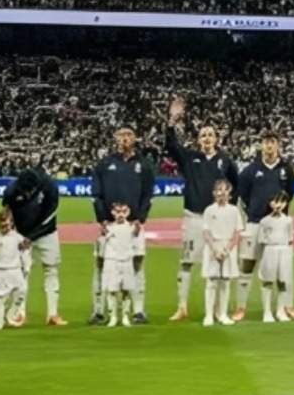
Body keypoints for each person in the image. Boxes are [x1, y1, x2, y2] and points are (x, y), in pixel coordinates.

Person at [164, 95, 238, 322]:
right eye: (203, 134)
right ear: (198, 139)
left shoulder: (225, 161)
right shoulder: (190, 158)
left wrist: (228, 214)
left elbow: (235, 186)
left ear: (216, 138)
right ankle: (182, 306)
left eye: (210, 134)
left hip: (218, 221)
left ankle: (217, 310)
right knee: (186, 261)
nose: (206, 138)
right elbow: (171, 146)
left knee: (218, 262)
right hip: (194, 217)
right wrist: (171, 122)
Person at [89, 126, 155, 325]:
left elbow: (148, 195)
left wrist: (140, 219)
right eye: (121, 135)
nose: (125, 138)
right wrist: (102, 219)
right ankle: (99, 311)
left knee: (137, 265)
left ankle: (138, 310)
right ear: (115, 138)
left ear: (135, 138)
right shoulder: (104, 164)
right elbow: (96, 194)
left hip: (133, 225)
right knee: (101, 265)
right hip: (107, 225)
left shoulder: (144, 165)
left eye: (129, 135)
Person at [234, 133, 294, 321]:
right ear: (261, 145)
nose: (269, 146)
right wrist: (256, 210)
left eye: (272, 142)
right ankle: (240, 307)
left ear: (278, 145)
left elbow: (290, 194)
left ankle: (285, 306)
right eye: (266, 142)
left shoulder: (286, 169)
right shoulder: (250, 170)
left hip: (279, 224)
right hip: (255, 223)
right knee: (247, 264)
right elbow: (243, 195)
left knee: (281, 267)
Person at [1, 166, 64, 326]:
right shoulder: (11, 190)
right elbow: (7, 211)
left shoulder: (49, 185)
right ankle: (19, 313)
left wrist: (32, 237)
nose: (27, 194)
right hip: (22, 235)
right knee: (22, 273)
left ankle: (52, 314)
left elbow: (51, 214)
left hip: (47, 233)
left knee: (51, 269)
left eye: (30, 192)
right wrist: (11, 233)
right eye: (24, 192)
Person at [200, 178, 245, 327]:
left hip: (228, 248)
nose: (221, 193)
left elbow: (237, 233)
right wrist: (215, 249)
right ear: (214, 193)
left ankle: (223, 314)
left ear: (229, 193)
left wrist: (227, 250)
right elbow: (206, 232)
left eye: (225, 190)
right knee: (211, 282)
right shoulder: (209, 210)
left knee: (225, 282)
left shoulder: (234, 210)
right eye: (219, 190)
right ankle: (208, 315)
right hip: (213, 247)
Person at [256, 193, 294, 324]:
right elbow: (261, 240)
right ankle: (267, 312)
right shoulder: (264, 221)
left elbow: (290, 239)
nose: (278, 205)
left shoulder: (288, 220)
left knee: (282, 281)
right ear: (270, 203)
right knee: (268, 281)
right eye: (275, 201)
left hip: (284, 250)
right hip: (270, 250)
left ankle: (281, 311)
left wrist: (289, 254)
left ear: (285, 204)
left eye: (282, 202)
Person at [0, 208, 27, 330]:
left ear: (12, 223)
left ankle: (10, 315)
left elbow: (25, 252)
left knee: (21, 292)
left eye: (6, 224)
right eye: (1, 224)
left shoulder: (18, 238)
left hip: (15, 270)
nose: (4, 227)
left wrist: (26, 266)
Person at [98, 202, 139, 328]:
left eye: (123, 211)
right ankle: (113, 316)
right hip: (112, 261)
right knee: (111, 290)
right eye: (117, 211)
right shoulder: (108, 227)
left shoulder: (132, 227)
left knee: (126, 290)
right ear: (112, 213)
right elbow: (101, 244)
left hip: (126, 260)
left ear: (128, 212)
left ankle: (125, 316)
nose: (120, 215)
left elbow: (136, 238)